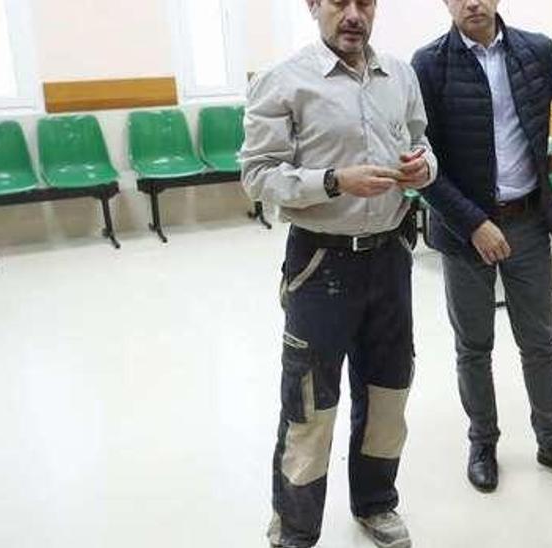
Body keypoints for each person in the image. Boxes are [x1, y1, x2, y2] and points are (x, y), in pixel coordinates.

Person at [242, 0, 437, 546]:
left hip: (391, 255)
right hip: (321, 263)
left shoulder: (399, 74)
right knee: (310, 405)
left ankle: (376, 504)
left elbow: (423, 143)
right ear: (313, 7)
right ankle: (296, 531)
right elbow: (258, 176)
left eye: (365, 2)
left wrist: (425, 166)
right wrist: (333, 181)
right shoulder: (283, 82)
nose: (353, 14)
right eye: (339, 2)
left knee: (388, 392)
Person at [411, 0, 552, 494]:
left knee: (540, 343)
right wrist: (474, 222)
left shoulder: (536, 51)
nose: (473, 2)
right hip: (463, 231)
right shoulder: (429, 64)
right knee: (473, 347)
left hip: (526, 224)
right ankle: (483, 442)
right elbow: (420, 159)